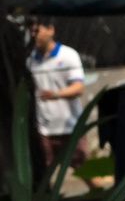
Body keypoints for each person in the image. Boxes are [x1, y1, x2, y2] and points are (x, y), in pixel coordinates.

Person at [26, 18, 89, 173]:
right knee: (43, 175)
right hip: (44, 129)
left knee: (85, 172)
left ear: (50, 30)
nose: (35, 35)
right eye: (31, 32)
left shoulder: (68, 55)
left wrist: (55, 94)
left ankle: (103, 196)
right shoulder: (30, 61)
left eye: (38, 31)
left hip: (70, 127)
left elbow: (78, 88)